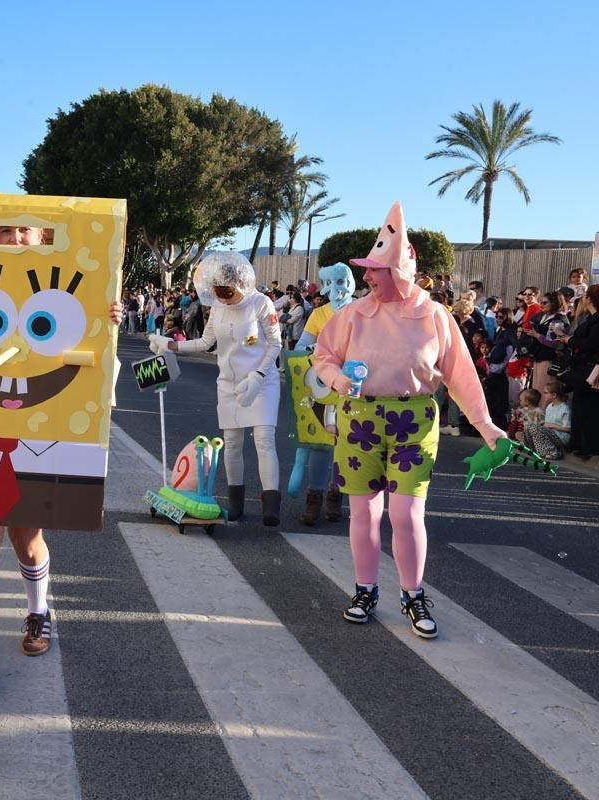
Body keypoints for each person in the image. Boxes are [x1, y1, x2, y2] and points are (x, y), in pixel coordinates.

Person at [0, 293, 123, 707]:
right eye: (6, 233)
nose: (13, 237)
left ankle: (38, 611)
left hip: (40, 433)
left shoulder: (64, 289)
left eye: (21, 232)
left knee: (27, 541)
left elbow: (97, 372)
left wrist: (108, 325)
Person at [314, 202, 505, 640]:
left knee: (406, 513)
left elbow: (460, 375)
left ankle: (412, 593)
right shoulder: (352, 314)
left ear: (398, 271)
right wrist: (338, 379)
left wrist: (486, 424)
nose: (365, 277)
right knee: (362, 511)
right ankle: (365, 590)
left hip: (414, 420)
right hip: (359, 417)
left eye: (373, 270)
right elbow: (323, 356)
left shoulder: (434, 315)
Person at [151, 252, 283, 526]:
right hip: (229, 383)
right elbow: (206, 342)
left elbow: (276, 344)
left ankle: (271, 503)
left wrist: (259, 374)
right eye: (219, 295)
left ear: (240, 284)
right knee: (232, 443)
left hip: (262, 382)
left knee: (263, 440)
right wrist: (171, 344)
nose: (223, 300)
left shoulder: (262, 304)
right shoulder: (219, 307)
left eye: (228, 294)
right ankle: (236, 502)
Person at [291, 262, 356, 525]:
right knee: (320, 443)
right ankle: (314, 498)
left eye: (341, 282)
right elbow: (302, 345)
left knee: (345, 445)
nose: (337, 289)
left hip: (353, 389)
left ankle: (335, 496)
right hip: (322, 387)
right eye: (331, 284)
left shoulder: (362, 311)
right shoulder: (319, 314)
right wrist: (316, 348)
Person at [561, 285, 599, 459]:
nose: (583, 298)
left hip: (591, 369)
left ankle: (589, 445)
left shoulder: (597, 320)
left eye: (585, 295)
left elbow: (592, 343)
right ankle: (579, 442)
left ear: (590, 299)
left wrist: (570, 339)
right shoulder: (590, 318)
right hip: (584, 367)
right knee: (581, 405)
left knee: (589, 407)